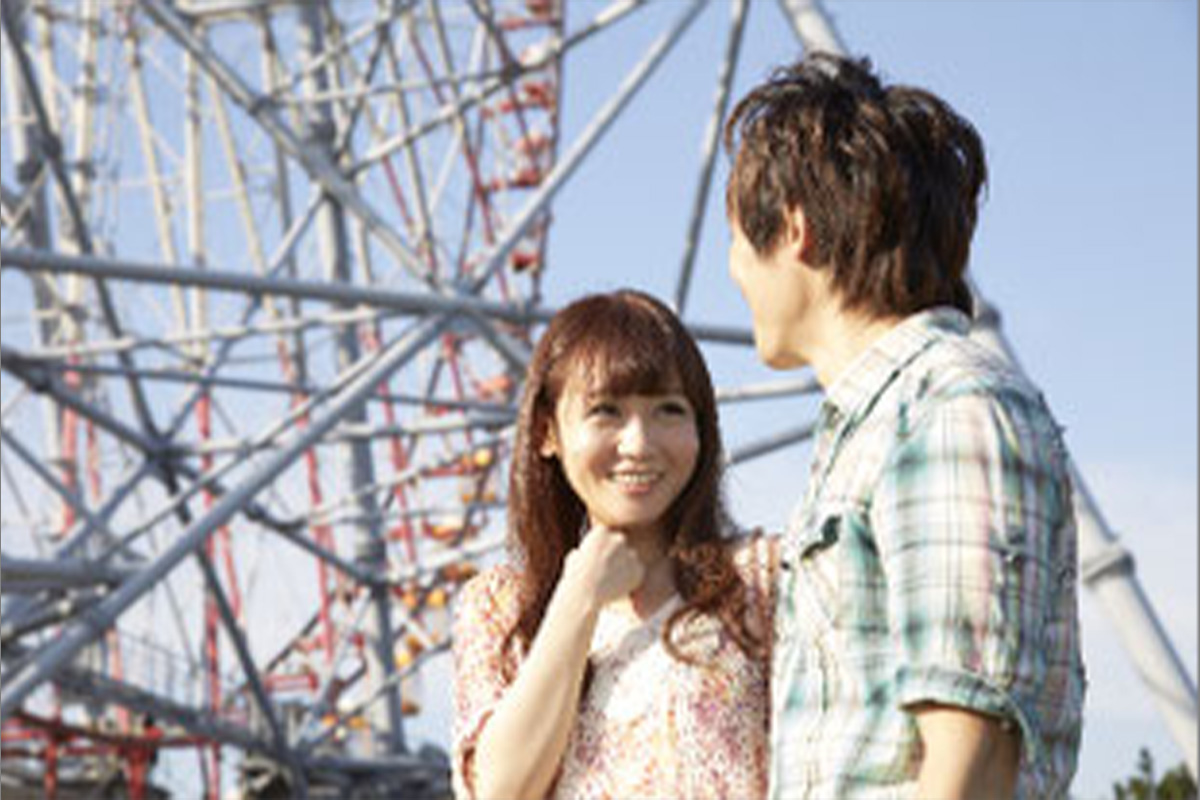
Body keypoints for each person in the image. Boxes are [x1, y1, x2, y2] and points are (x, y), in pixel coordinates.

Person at [723, 53, 1085, 799]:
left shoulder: (946, 408)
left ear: (793, 230)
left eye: (737, 241)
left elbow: (971, 755)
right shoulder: (878, 423)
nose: (733, 270)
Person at [451, 290, 778, 800]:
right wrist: (578, 599)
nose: (639, 444)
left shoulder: (763, 579)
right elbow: (499, 790)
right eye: (606, 411)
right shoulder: (499, 607)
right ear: (547, 433)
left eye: (669, 410)